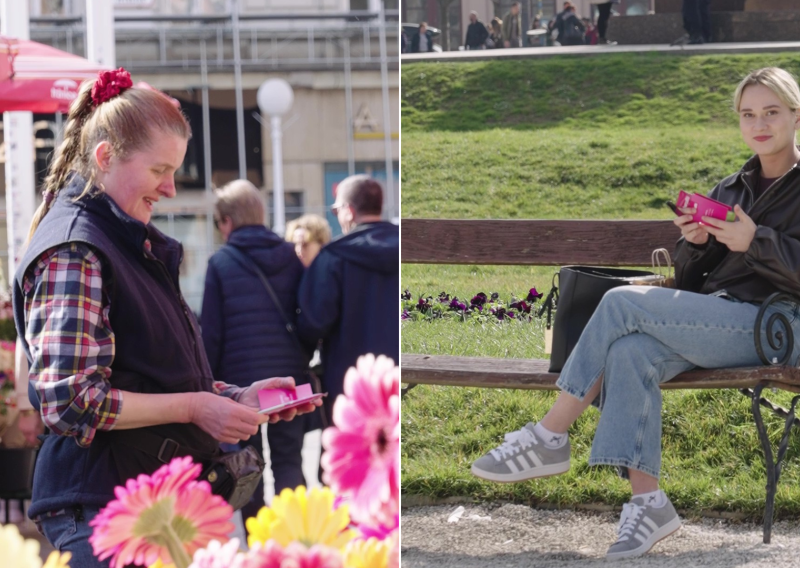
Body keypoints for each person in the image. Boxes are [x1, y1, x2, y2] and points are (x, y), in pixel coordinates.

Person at [470, 67, 800, 560]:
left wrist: (758, 242)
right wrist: (695, 246)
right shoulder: (730, 189)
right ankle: (649, 504)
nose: (760, 124)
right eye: (748, 114)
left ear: (796, 115)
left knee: (622, 300)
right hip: (719, 319)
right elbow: (690, 284)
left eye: (772, 112)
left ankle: (548, 436)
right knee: (630, 351)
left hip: (779, 326)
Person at [12, 68, 319, 567]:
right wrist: (196, 407)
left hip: (132, 501)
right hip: (103, 507)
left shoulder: (115, 239)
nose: (171, 188)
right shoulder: (76, 248)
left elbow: (146, 373)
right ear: (105, 156)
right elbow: (70, 400)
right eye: (160, 171)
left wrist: (231, 399)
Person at [201, 179, 312, 522]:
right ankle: (297, 543)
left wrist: (212, 386)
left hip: (241, 385)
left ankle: (261, 546)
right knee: (290, 461)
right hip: (287, 380)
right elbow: (305, 316)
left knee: (247, 467)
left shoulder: (220, 264)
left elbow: (212, 334)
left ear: (227, 221)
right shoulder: (290, 257)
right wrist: (301, 359)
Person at [296, 175, 399, 425]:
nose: (336, 215)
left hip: (350, 383)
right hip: (400, 377)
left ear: (349, 211)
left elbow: (313, 323)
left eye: (336, 209)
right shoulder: (406, 248)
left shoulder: (332, 258)